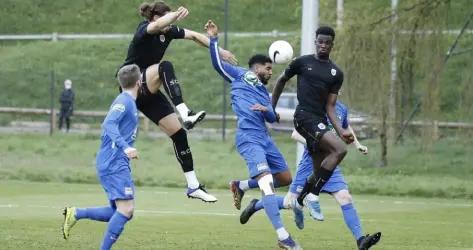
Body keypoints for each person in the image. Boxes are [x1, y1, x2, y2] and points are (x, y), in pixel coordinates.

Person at [118, 1, 237, 202]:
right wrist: (174, 15)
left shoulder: (168, 30)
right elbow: (156, 26)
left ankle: (193, 186)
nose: (169, 25)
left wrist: (219, 51)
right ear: (156, 18)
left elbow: (195, 36)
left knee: (179, 135)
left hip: (149, 91)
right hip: (131, 84)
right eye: (166, 20)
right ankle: (185, 113)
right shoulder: (145, 29)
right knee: (165, 66)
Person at [206, 20, 301, 250]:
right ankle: (283, 236)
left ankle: (241, 186)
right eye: (268, 68)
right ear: (257, 67)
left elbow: (272, 118)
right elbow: (218, 65)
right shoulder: (240, 76)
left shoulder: (262, 91)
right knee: (267, 183)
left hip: (265, 138)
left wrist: (267, 109)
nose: (270, 72)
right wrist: (213, 39)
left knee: (285, 179)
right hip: (249, 137)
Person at [271, 26, 353, 220]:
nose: (323, 45)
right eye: (320, 42)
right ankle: (313, 196)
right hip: (304, 117)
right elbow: (281, 81)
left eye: (327, 42)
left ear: (332, 45)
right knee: (340, 150)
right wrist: (270, 108)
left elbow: (331, 107)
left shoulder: (336, 73)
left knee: (319, 171)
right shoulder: (301, 63)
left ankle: (299, 201)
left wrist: (341, 130)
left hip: (320, 120)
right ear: (315, 42)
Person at [62, 64, 141, 250]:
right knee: (126, 209)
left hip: (115, 161)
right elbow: (108, 123)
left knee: (119, 211)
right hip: (114, 161)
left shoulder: (127, 99)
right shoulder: (125, 101)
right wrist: (126, 147)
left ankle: (76, 213)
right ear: (139, 82)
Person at [287, 100, 382, 250]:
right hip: (310, 161)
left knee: (345, 197)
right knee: (288, 203)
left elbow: (345, 127)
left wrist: (357, 144)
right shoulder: (314, 105)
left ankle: (361, 240)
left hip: (331, 161)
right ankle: (257, 205)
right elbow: (295, 134)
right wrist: (316, 143)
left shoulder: (341, 108)